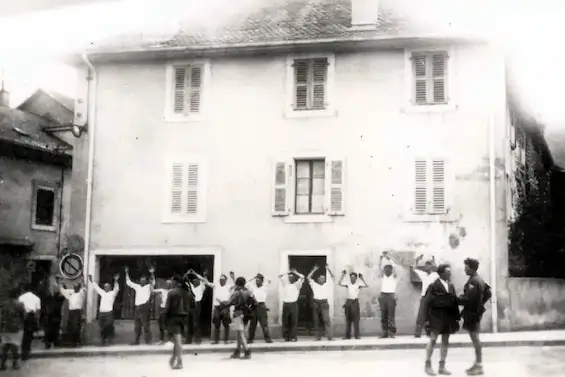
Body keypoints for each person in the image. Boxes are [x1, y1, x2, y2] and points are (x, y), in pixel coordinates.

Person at [423, 264, 460, 376]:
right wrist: (426, 319)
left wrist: (456, 318)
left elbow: (454, 303)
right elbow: (426, 303)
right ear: (441, 273)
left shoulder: (451, 286)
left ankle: (442, 366)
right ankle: (428, 365)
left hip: (448, 318)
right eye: (448, 271)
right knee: (433, 340)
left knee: (445, 341)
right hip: (436, 317)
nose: (450, 273)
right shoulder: (433, 286)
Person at [458, 258, 492, 376]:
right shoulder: (478, 279)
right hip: (475, 312)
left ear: (472, 268)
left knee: (475, 339)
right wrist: (480, 303)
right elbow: (488, 293)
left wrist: (454, 300)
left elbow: (467, 299)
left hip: (472, 313)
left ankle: (479, 365)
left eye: (466, 267)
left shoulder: (474, 281)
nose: (464, 269)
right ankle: (477, 364)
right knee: (475, 338)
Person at [125, 266, 155, 345]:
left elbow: (152, 282)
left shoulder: (148, 287)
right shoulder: (137, 287)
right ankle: (136, 341)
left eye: (144, 281)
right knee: (137, 325)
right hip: (138, 308)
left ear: (146, 282)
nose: (142, 282)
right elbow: (129, 282)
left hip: (145, 307)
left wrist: (152, 273)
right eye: (141, 281)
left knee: (146, 325)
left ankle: (148, 341)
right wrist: (127, 273)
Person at [165, 275, 189, 370]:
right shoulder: (187, 292)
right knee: (177, 340)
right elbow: (192, 305)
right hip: (184, 318)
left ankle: (179, 361)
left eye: (172, 281)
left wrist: (165, 319)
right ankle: (174, 358)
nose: (171, 283)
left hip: (174, 317)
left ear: (176, 282)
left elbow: (167, 308)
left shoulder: (172, 292)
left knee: (177, 341)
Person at [228, 277, 256, 359]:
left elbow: (230, 302)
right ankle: (237, 351)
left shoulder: (236, 293)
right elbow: (254, 301)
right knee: (239, 333)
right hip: (246, 314)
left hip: (238, 313)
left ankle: (247, 352)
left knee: (240, 334)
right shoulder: (248, 292)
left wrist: (231, 292)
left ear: (237, 284)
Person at [88, 274, 119, 346]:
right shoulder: (102, 293)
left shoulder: (112, 293)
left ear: (110, 287)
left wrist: (116, 281)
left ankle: (109, 335)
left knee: (108, 325)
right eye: (105, 287)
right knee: (102, 327)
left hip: (109, 313)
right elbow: (96, 288)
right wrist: (92, 281)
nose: (105, 288)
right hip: (101, 313)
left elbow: (116, 288)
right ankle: (103, 339)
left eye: (107, 286)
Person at [412, 255, 439, 338]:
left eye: (428, 266)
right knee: (421, 315)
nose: (426, 267)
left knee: (432, 315)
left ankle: (430, 332)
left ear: (431, 267)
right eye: (425, 266)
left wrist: (434, 261)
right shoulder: (423, 274)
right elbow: (414, 269)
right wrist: (417, 260)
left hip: (433, 297)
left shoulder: (435, 275)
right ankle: (418, 332)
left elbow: (440, 271)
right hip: (424, 296)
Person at [307, 264, 334, 341]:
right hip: (316, 303)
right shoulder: (314, 284)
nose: (323, 280)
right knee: (316, 320)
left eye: (324, 278)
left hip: (324, 303)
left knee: (326, 320)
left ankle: (330, 336)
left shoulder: (326, 285)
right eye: (321, 278)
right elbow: (308, 277)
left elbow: (333, 277)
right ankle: (317, 337)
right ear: (318, 279)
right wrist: (314, 269)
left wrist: (328, 269)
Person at [0, 288, 26, 370]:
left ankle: (3, 364)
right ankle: (15, 364)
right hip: (16, 327)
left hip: (5, 327)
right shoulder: (19, 304)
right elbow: (23, 316)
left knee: (5, 345)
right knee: (15, 345)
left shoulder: (4, 304)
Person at [338, 270, 368, 339]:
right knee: (348, 320)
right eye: (351, 277)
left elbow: (366, 285)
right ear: (350, 278)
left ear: (356, 278)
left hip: (355, 302)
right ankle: (347, 336)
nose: (352, 279)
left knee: (356, 320)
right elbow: (339, 283)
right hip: (348, 302)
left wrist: (362, 278)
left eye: (354, 277)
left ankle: (357, 335)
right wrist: (342, 275)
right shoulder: (348, 284)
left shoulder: (358, 285)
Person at [184, 270, 212, 344]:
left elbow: (203, 279)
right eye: (194, 280)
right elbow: (184, 280)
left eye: (196, 280)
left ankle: (198, 339)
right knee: (189, 322)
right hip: (190, 304)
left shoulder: (202, 286)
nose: (195, 281)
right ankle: (188, 340)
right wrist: (187, 273)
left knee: (195, 322)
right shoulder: (191, 286)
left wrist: (195, 273)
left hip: (197, 304)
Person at [207, 271, 235, 345]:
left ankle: (226, 340)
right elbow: (206, 283)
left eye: (222, 279)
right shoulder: (216, 285)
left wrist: (233, 277)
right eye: (220, 279)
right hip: (217, 306)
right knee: (217, 323)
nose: (221, 281)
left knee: (226, 324)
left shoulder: (228, 286)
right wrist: (204, 277)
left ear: (225, 280)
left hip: (225, 307)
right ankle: (216, 340)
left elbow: (236, 285)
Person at [279, 269, 305, 342]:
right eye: (289, 277)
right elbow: (279, 276)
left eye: (292, 277)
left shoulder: (297, 285)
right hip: (286, 304)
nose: (290, 278)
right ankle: (286, 337)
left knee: (294, 321)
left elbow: (302, 277)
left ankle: (293, 336)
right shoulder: (285, 285)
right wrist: (287, 272)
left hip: (293, 304)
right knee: (286, 321)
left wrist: (295, 272)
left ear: (294, 278)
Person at [246, 273, 273, 343]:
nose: (257, 282)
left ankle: (268, 339)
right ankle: (250, 339)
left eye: (258, 281)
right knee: (252, 324)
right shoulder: (253, 288)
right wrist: (253, 277)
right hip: (254, 306)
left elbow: (269, 281)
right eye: (256, 281)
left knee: (264, 324)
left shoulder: (264, 288)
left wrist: (263, 276)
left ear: (261, 281)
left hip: (262, 306)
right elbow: (247, 282)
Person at [59, 280, 86, 347]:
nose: (75, 288)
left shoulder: (81, 294)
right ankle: (71, 341)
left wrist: (82, 283)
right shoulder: (70, 295)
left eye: (77, 287)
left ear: (79, 288)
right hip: (71, 312)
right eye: (74, 287)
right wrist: (61, 285)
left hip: (77, 311)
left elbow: (84, 288)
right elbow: (63, 291)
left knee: (76, 327)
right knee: (70, 326)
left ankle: (77, 341)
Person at [17, 285, 41, 360]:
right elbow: (38, 311)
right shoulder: (36, 298)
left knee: (24, 335)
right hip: (31, 316)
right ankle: (27, 352)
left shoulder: (21, 297)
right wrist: (37, 321)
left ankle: (24, 352)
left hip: (23, 316)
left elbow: (19, 309)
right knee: (29, 336)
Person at [378, 251, 398, 338]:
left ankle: (392, 332)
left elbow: (395, 267)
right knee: (383, 315)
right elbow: (379, 268)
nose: (387, 270)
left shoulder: (393, 276)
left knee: (391, 315)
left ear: (391, 270)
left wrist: (389, 259)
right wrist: (381, 258)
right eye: (386, 269)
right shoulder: (383, 276)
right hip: (383, 296)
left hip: (391, 296)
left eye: (389, 269)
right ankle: (384, 332)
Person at [43, 278, 65, 349]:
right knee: (53, 331)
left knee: (52, 331)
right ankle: (52, 343)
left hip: (53, 317)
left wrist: (59, 284)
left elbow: (64, 293)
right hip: (52, 317)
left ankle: (51, 343)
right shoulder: (54, 299)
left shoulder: (56, 299)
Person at [154, 280, 173, 345]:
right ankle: (161, 340)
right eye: (167, 283)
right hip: (162, 308)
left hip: (169, 309)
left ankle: (169, 340)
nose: (167, 285)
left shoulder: (172, 291)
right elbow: (153, 290)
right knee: (161, 325)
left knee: (167, 325)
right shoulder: (162, 290)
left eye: (169, 284)